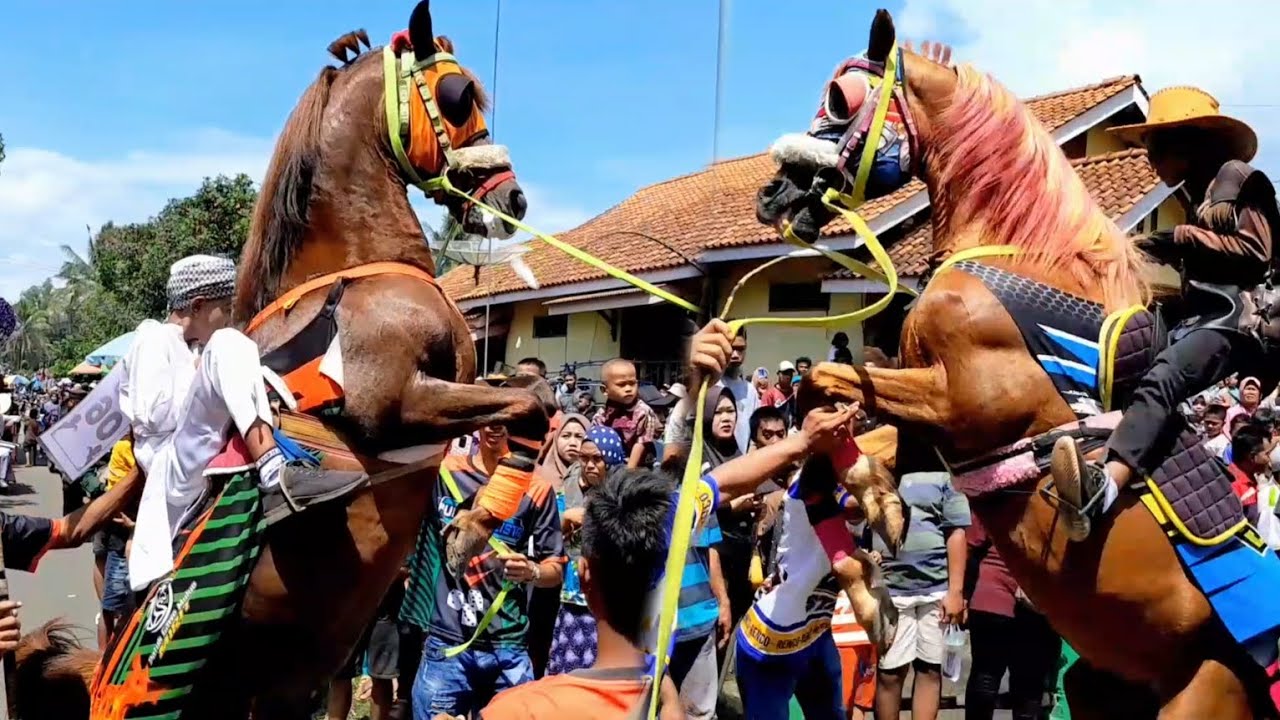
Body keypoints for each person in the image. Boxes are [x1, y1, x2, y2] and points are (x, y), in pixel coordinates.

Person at [1053, 87, 1280, 541]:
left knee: (1163, 377)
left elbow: (1256, 254)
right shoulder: (1199, 196)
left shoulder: (1237, 178)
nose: (1149, 160)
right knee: (1128, 362)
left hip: (1248, 321)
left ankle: (1104, 491)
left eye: (1154, 149)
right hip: (1213, 315)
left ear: (1187, 144)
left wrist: (1177, 237)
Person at [122, 255, 283, 591]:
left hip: (186, 452)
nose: (229, 316)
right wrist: (199, 381)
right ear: (198, 305)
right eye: (225, 306)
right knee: (229, 342)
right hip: (169, 463)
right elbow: (151, 415)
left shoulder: (193, 346)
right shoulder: (155, 338)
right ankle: (269, 461)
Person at [411, 424, 565, 719]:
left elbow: (555, 568)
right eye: (489, 417)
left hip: (507, 647)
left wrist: (531, 571)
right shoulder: (445, 473)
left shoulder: (536, 488)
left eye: (506, 420)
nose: (495, 426)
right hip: (447, 643)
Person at [872, 472, 969, 720]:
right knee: (889, 672)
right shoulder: (878, 469)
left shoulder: (946, 477)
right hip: (889, 590)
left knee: (929, 669)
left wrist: (956, 592)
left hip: (936, 590)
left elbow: (956, 532)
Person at [547, 426, 626, 677]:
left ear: (611, 460)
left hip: (606, 603)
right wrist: (566, 517)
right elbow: (552, 530)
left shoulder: (622, 497)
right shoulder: (570, 490)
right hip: (570, 598)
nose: (590, 465)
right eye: (585, 458)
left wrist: (586, 518)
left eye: (597, 459)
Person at [964, 517, 1060, 720]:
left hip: (1002, 591)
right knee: (1027, 684)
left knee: (987, 677)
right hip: (1028, 592)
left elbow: (970, 542)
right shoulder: (1051, 494)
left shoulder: (993, 490)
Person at [530, 414, 588, 678]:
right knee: (538, 646)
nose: (573, 443)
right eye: (566, 436)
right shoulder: (539, 480)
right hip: (544, 583)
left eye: (580, 436)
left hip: (578, 592)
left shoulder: (596, 484)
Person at [330, 580, 406, 720]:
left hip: (387, 599)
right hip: (347, 596)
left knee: (382, 676)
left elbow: (405, 566)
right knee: (340, 673)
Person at [592, 359, 660, 469]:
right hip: (610, 465)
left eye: (632, 383)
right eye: (621, 385)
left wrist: (628, 471)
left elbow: (641, 443)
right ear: (605, 390)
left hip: (640, 466)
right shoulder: (602, 415)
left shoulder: (643, 412)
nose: (628, 389)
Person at [713, 328, 760, 453]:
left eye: (740, 349)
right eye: (731, 348)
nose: (735, 355)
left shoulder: (750, 390)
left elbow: (755, 433)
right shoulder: (709, 386)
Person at [1228, 425, 1272, 526]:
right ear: (1252, 457)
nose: (1270, 459)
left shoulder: (1255, 477)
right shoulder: (1233, 487)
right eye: (1267, 454)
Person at [760, 361, 797, 426]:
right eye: (785, 373)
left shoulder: (793, 392)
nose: (788, 376)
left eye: (790, 373)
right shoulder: (769, 394)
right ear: (778, 373)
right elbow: (764, 417)